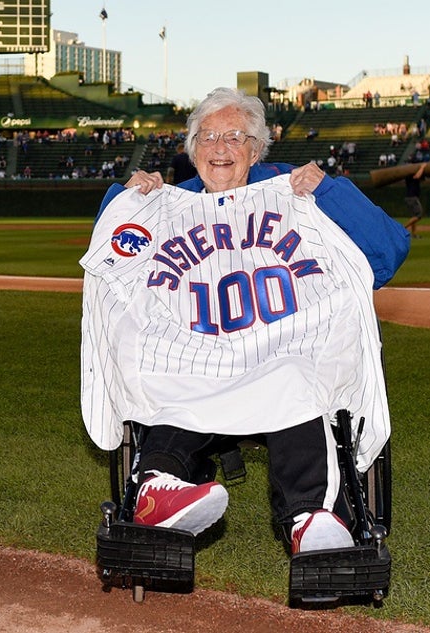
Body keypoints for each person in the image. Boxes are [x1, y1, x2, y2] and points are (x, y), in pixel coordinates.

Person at [80, 87, 409, 555]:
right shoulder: (167, 203)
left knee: (298, 378)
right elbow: (108, 267)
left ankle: (310, 516)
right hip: (196, 356)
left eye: (234, 136)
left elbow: (387, 254)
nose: (219, 147)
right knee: (174, 371)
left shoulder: (295, 190)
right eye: (207, 136)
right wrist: (125, 201)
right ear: (191, 150)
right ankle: (159, 488)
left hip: (278, 355)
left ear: (256, 149)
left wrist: (330, 192)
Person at [403, 162, 427, 237]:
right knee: (419, 215)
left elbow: (421, 178)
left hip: (410, 197)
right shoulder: (411, 175)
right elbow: (417, 176)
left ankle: (414, 234)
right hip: (412, 197)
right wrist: (422, 167)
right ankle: (402, 228)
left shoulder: (408, 176)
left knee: (414, 215)